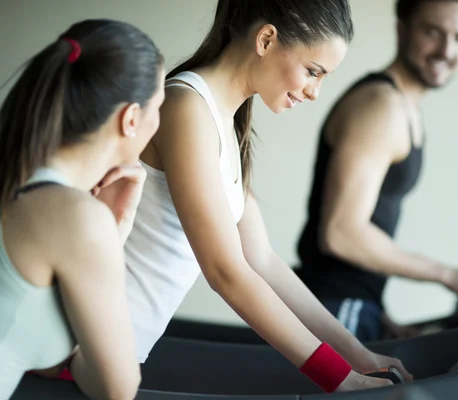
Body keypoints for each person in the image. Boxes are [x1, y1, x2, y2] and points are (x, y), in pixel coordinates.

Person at [123, 0, 412, 393]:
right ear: (266, 39)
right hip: (82, 346)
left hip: (119, 351)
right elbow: (226, 271)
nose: (314, 92)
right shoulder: (187, 106)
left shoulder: (229, 120)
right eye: (313, 71)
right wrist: (338, 377)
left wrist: (360, 356)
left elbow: (261, 261)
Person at [295, 0, 458, 342]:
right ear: (402, 30)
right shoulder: (382, 105)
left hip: (352, 302)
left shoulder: (405, 107)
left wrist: (379, 312)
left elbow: (370, 223)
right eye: (433, 32)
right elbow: (341, 234)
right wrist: (449, 275)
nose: (446, 50)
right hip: (333, 304)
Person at [0, 19, 165, 399]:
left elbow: (37, 353)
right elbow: (118, 390)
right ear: (131, 119)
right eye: (160, 107)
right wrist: (109, 235)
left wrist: (113, 232)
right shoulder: (74, 218)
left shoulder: (22, 185)